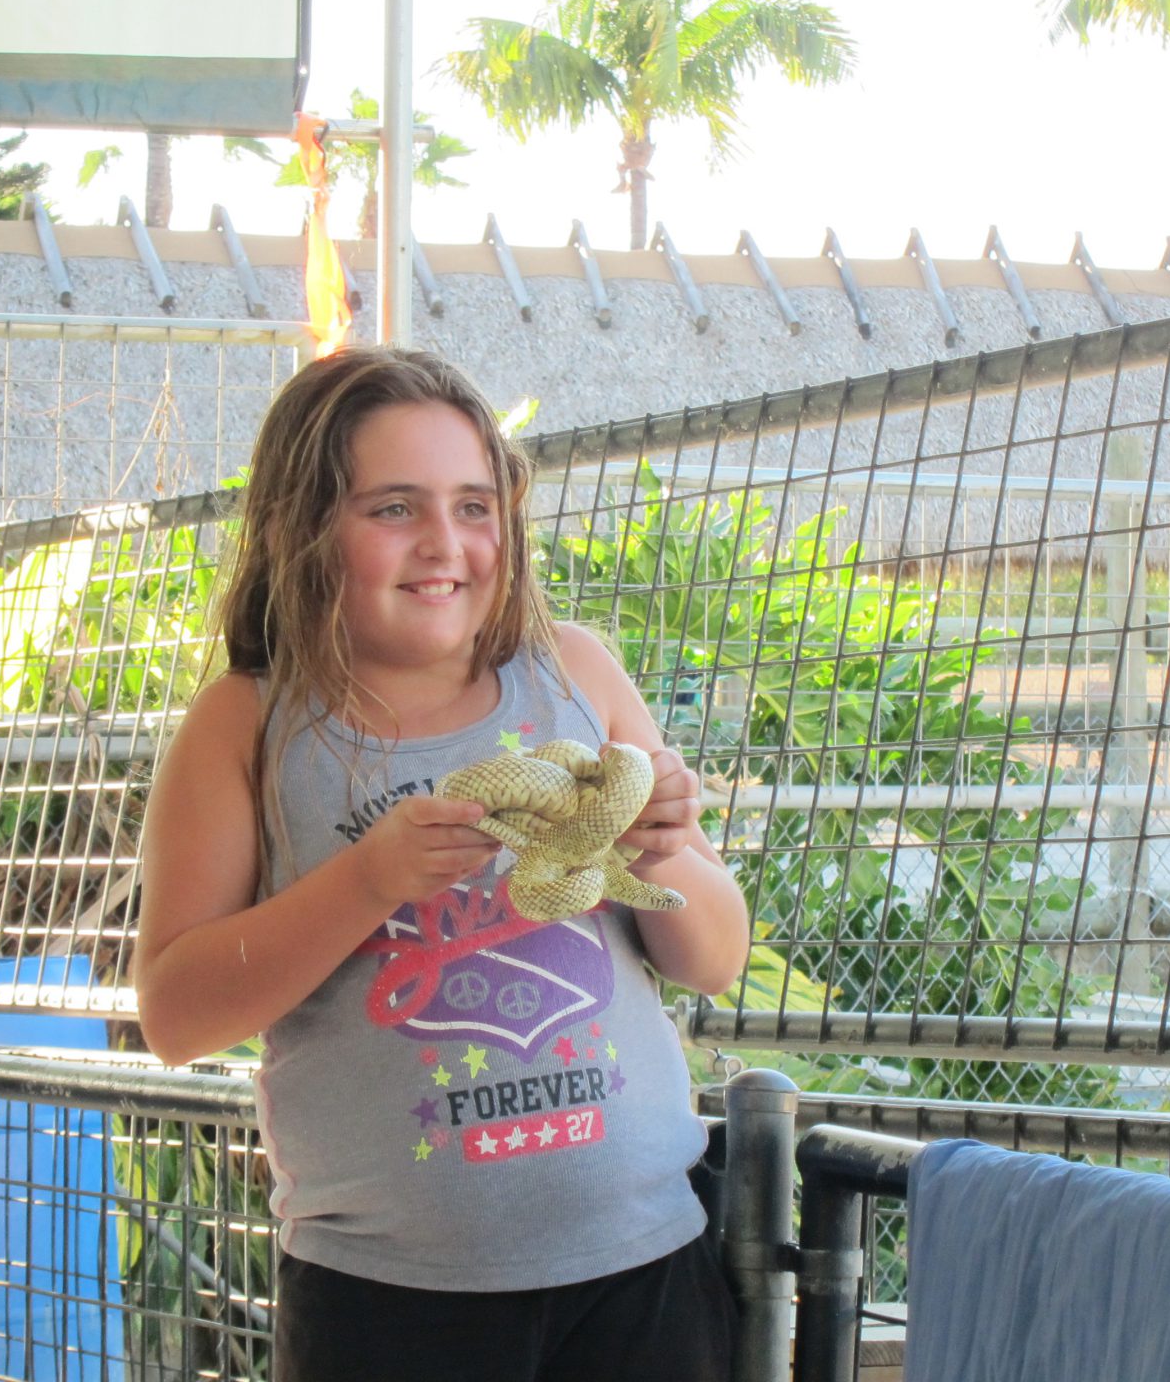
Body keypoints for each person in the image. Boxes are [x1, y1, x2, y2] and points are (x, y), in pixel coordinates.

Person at [134, 346, 749, 1382]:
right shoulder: (244, 726)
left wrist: (661, 844)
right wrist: (366, 881)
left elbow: (715, 957)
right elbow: (173, 1016)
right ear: (300, 526)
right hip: (385, 1303)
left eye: (474, 506)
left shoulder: (576, 672)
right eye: (392, 508)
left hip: (645, 1272)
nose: (445, 544)